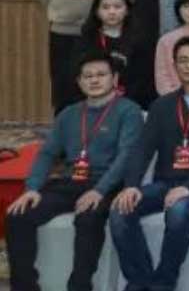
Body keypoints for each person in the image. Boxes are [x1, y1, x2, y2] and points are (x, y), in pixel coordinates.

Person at [108, 36, 189, 291]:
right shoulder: (162, 105)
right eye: (183, 60)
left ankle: (164, 283)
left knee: (179, 209)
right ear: (175, 65)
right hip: (167, 182)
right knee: (120, 209)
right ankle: (140, 281)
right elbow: (142, 149)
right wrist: (131, 185)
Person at [5, 52, 144, 291]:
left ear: (115, 78)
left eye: (101, 74)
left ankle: (80, 286)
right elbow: (47, 154)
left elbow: (127, 156)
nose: (94, 80)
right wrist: (32, 188)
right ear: (79, 82)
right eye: (87, 76)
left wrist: (99, 190)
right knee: (18, 215)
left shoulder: (129, 110)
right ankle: (25, 286)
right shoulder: (68, 114)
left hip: (108, 184)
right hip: (70, 182)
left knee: (88, 218)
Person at [79, 0, 145, 103]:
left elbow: (142, 78)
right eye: (105, 7)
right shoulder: (88, 38)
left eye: (117, 7)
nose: (112, 12)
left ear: (127, 10)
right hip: (93, 99)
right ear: (97, 11)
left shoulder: (140, 39)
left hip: (130, 100)